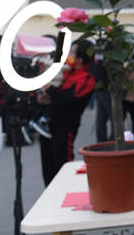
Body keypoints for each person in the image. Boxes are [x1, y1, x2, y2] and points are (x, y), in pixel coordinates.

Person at [36, 38, 95, 186]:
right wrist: (41, 98)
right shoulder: (67, 72)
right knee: (47, 170)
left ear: (80, 59)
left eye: (72, 53)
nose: (68, 55)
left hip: (65, 128)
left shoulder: (86, 78)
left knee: (62, 168)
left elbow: (71, 100)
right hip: (49, 126)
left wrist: (50, 88)